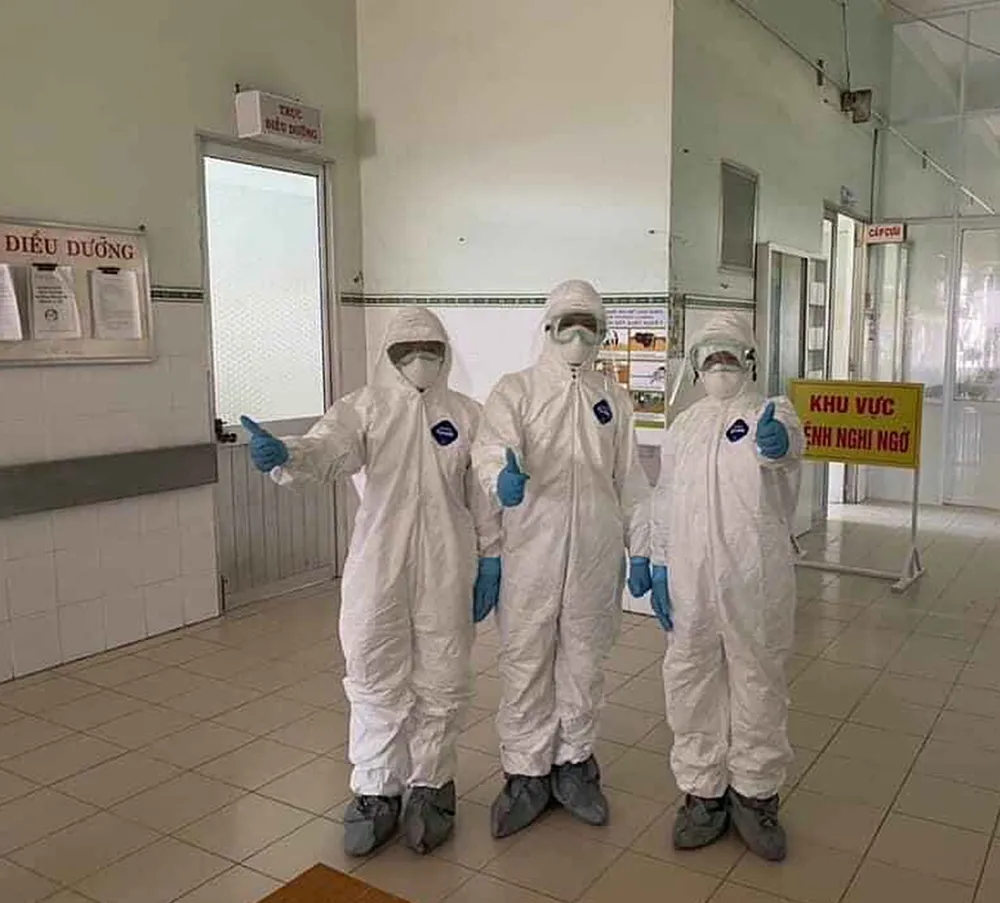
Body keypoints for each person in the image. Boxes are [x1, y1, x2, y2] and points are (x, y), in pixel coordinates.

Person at [241, 307, 501, 858]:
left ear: (446, 354)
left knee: (443, 674)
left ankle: (431, 786)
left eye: (430, 349)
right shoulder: (365, 408)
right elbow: (330, 448)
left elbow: (483, 493)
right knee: (371, 670)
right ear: (389, 355)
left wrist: (492, 558)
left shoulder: (467, 414)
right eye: (407, 350)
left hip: (448, 564)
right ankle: (377, 790)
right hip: (379, 564)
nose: (420, 359)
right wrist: (289, 454)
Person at [472, 279, 651, 838]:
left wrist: (643, 549)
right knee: (526, 661)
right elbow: (490, 450)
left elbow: (631, 479)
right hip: (531, 550)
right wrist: (499, 482)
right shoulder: (516, 391)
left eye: (588, 325)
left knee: (584, 662)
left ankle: (574, 764)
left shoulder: (612, 398)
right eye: (567, 324)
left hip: (595, 551)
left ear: (602, 333)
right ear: (548, 328)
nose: (577, 335)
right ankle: (525, 773)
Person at [648, 312, 804, 862]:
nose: (719, 362)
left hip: (752, 580)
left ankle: (756, 796)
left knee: (757, 682)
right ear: (694, 364)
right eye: (709, 353)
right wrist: (658, 561)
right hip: (690, 581)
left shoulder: (771, 412)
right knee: (690, 681)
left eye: (729, 352)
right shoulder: (684, 426)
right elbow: (665, 497)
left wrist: (779, 446)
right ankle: (702, 793)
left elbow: (787, 453)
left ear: (750, 361)